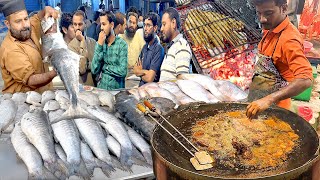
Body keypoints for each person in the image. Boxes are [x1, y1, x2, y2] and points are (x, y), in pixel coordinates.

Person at [245, 0, 313, 119]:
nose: (262, 19)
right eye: (259, 13)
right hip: (259, 100)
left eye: (268, 13)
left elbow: (305, 79)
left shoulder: (289, 40)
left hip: (275, 109)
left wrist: (268, 99)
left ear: (284, 8)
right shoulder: (272, 26)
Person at [0, 0, 58, 93]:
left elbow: (38, 17)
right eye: (18, 21)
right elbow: (31, 80)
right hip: (22, 101)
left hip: (44, 94)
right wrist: (57, 71)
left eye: (26, 19)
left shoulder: (27, 28)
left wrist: (46, 10)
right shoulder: (10, 50)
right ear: (7, 24)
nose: (25, 25)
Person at [91, 11, 128, 90]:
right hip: (102, 90)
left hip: (116, 91)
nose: (101, 28)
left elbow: (122, 71)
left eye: (104, 24)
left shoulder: (122, 44)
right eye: (101, 24)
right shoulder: (100, 44)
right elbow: (94, 70)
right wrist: (99, 46)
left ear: (112, 25)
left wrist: (105, 67)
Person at [159, 7, 192, 81]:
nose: (161, 29)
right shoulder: (173, 46)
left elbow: (182, 81)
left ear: (173, 23)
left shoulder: (181, 46)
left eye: (164, 24)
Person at [133, 12, 164, 86]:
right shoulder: (144, 47)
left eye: (148, 25)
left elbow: (150, 78)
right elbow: (135, 70)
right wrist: (145, 72)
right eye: (144, 25)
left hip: (151, 92)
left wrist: (140, 71)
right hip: (141, 88)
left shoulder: (158, 49)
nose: (145, 29)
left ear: (155, 28)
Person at [69, 10, 96, 86]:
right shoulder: (70, 47)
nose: (77, 28)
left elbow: (98, 66)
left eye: (80, 24)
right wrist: (83, 41)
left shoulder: (93, 42)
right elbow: (82, 69)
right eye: (75, 24)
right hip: (80, 89)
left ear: (85, 24)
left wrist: (88, 64)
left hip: (94, 87)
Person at [119, 11, 146, 80]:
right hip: (122, 72)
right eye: (130, 22)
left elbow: (144, 55)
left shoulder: (140, 38)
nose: (131, 25)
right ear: (126, 22)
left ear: (136, 25)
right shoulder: (120, 37)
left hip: (136, 73)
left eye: (134, 23)